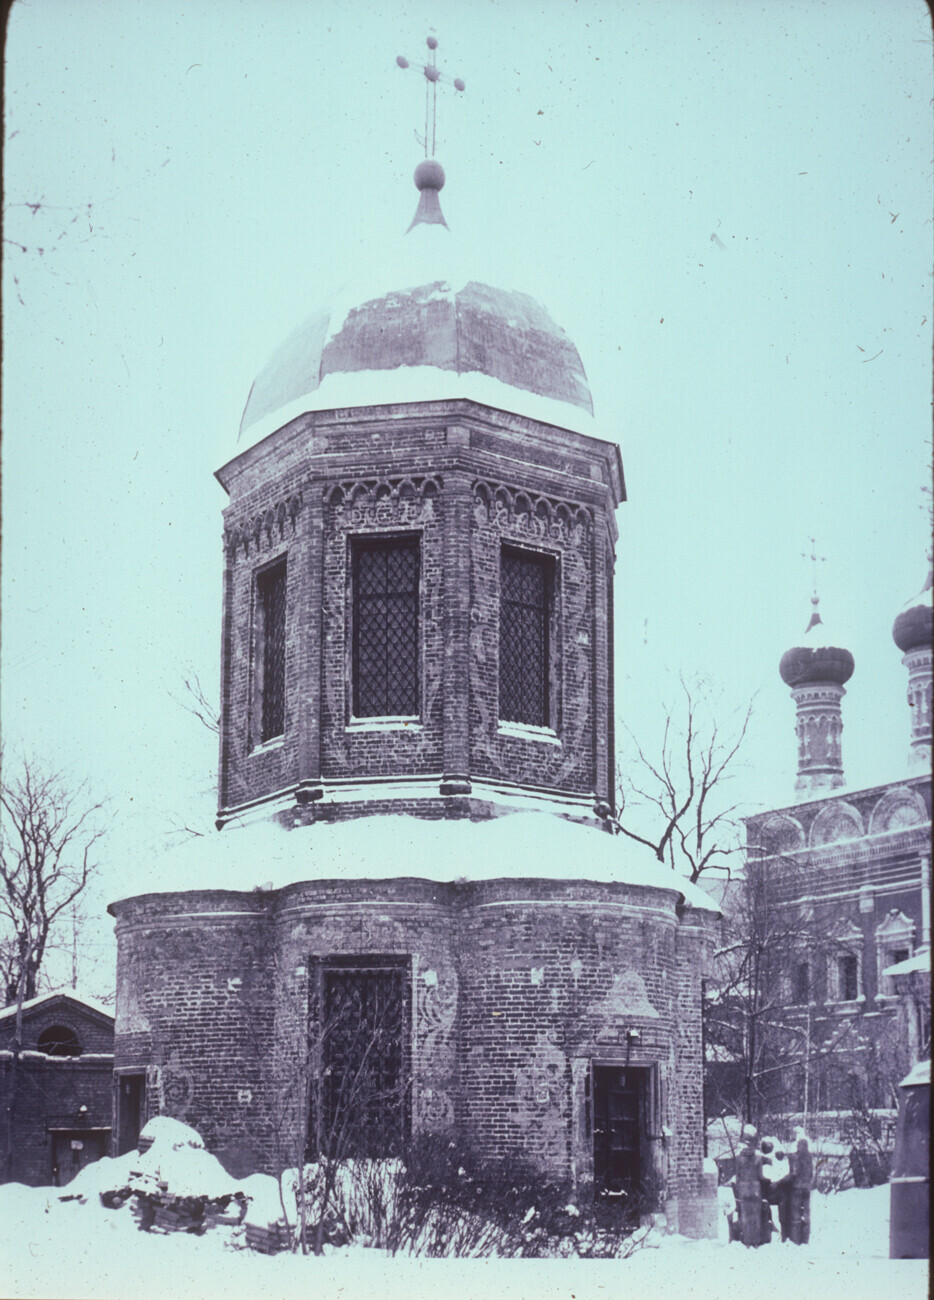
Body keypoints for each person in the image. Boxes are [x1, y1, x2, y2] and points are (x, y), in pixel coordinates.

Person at [734, 1126, 765, 1247]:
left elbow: (738, 1176)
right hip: (755, 1189)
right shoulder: (758, 1159)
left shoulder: (739, 1159)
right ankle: (755, 1242)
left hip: (743, 1189)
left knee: (745, 1216)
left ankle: (747, 1241)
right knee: (756, 1215)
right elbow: (760, 1176)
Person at [788, 1130, 813, 1245]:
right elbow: (811, 1173)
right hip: (807, 1189)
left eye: (798, 1146)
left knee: (796, 1215)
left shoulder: (795, 1158)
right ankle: (806, 1239)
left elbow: (794, 1173)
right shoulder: (809, 1157)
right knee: (806, 1214)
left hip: (797, 1188)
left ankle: (796, 1240)